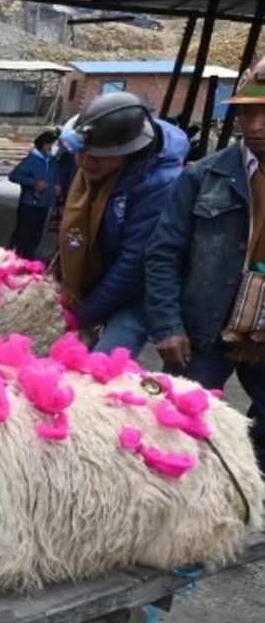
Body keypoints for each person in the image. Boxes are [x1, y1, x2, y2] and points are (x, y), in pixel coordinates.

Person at [147, 56, 265, 464]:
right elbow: (163, 253)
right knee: (178, 434)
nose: (254, 125)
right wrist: (167, 325)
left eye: (264, 113)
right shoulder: (204, 176)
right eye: (247, 112)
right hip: (204, 335)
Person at [55, 91, 185, 354]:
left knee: (102, 362)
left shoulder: (161, 184)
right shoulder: (88, 163)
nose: (84, 162)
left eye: (98, 156)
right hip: (94, 270)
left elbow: (133, 264)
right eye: (82, 153)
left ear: (130, 152)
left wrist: (83, 315)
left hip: (138, 287)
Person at [6, 129, 61, 260]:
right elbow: (14, 176)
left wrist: (58, 185)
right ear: (45, 145)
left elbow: (55, 176)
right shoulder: (31, 161)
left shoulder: (52, 161)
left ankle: (28, 257)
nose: (54, 148)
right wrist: (33, 183)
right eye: (52, 144)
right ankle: (14, 255)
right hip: (29, 204)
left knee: (36, 234)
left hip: (44, 204)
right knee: (23, 232)